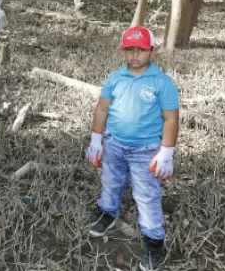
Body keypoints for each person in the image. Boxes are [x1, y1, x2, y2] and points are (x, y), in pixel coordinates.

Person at [85, 26, 180, 271]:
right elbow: (102, 109)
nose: (134, 55)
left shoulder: (162, 83)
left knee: (146, 195)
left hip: (145, 150)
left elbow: (171, 118)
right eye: (129, 50)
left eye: (141, 50)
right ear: (123, 52)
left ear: (153, 51)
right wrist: (96, 140)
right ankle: (108, 211)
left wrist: (166, 152)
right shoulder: (115, 79)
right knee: (111, 181)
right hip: (114, 144)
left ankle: (153, 240)